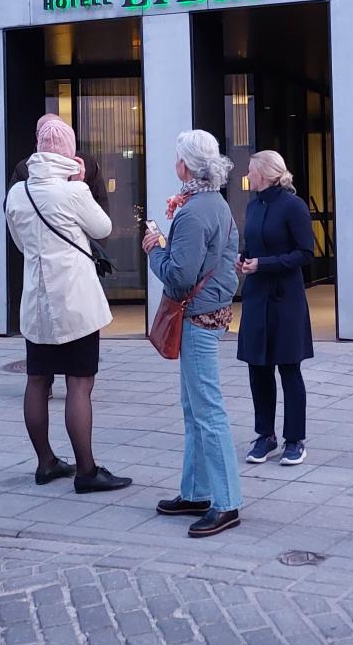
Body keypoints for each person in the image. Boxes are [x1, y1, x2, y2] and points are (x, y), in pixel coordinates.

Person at [5, 117, 131, 496]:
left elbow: (20, 242)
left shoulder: (18, 192)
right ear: (69, 151)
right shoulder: (72, 191)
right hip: (75, 300)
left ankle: (45, 462)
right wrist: (79, 188)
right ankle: (87, 471)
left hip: (36, 300)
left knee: (37, 379)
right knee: (79, 383)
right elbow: (103, 228)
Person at [143, 130, 241, 538]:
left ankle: (226, 502)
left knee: (207, 411)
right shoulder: (214, 203)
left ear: (184, 164)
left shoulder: (194, 210)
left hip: (197, 317)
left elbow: (180, 278)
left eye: (176, 157)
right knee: (195, 408)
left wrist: (154, 250)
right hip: (211, 313)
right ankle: (197, 492)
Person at [237, 151, 314, 466]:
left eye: (251, 171)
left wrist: (264, 264)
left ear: (267, 173)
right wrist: (243, 259)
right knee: (258, 368)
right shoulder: (254, 205)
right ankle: (264, 436)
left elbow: (305, 253)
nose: (248, 176)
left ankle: (294, 440)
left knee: (289, 369)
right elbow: (252, 242)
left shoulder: (293, 206)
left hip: (285, 299)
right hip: (256, 297)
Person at [10, 113, 109, 216]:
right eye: (47, 132)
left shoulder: (87, 162)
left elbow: (101, 202)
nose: (53, 136)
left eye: (57, 131)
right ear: (37, 135)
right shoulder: (24, 167)